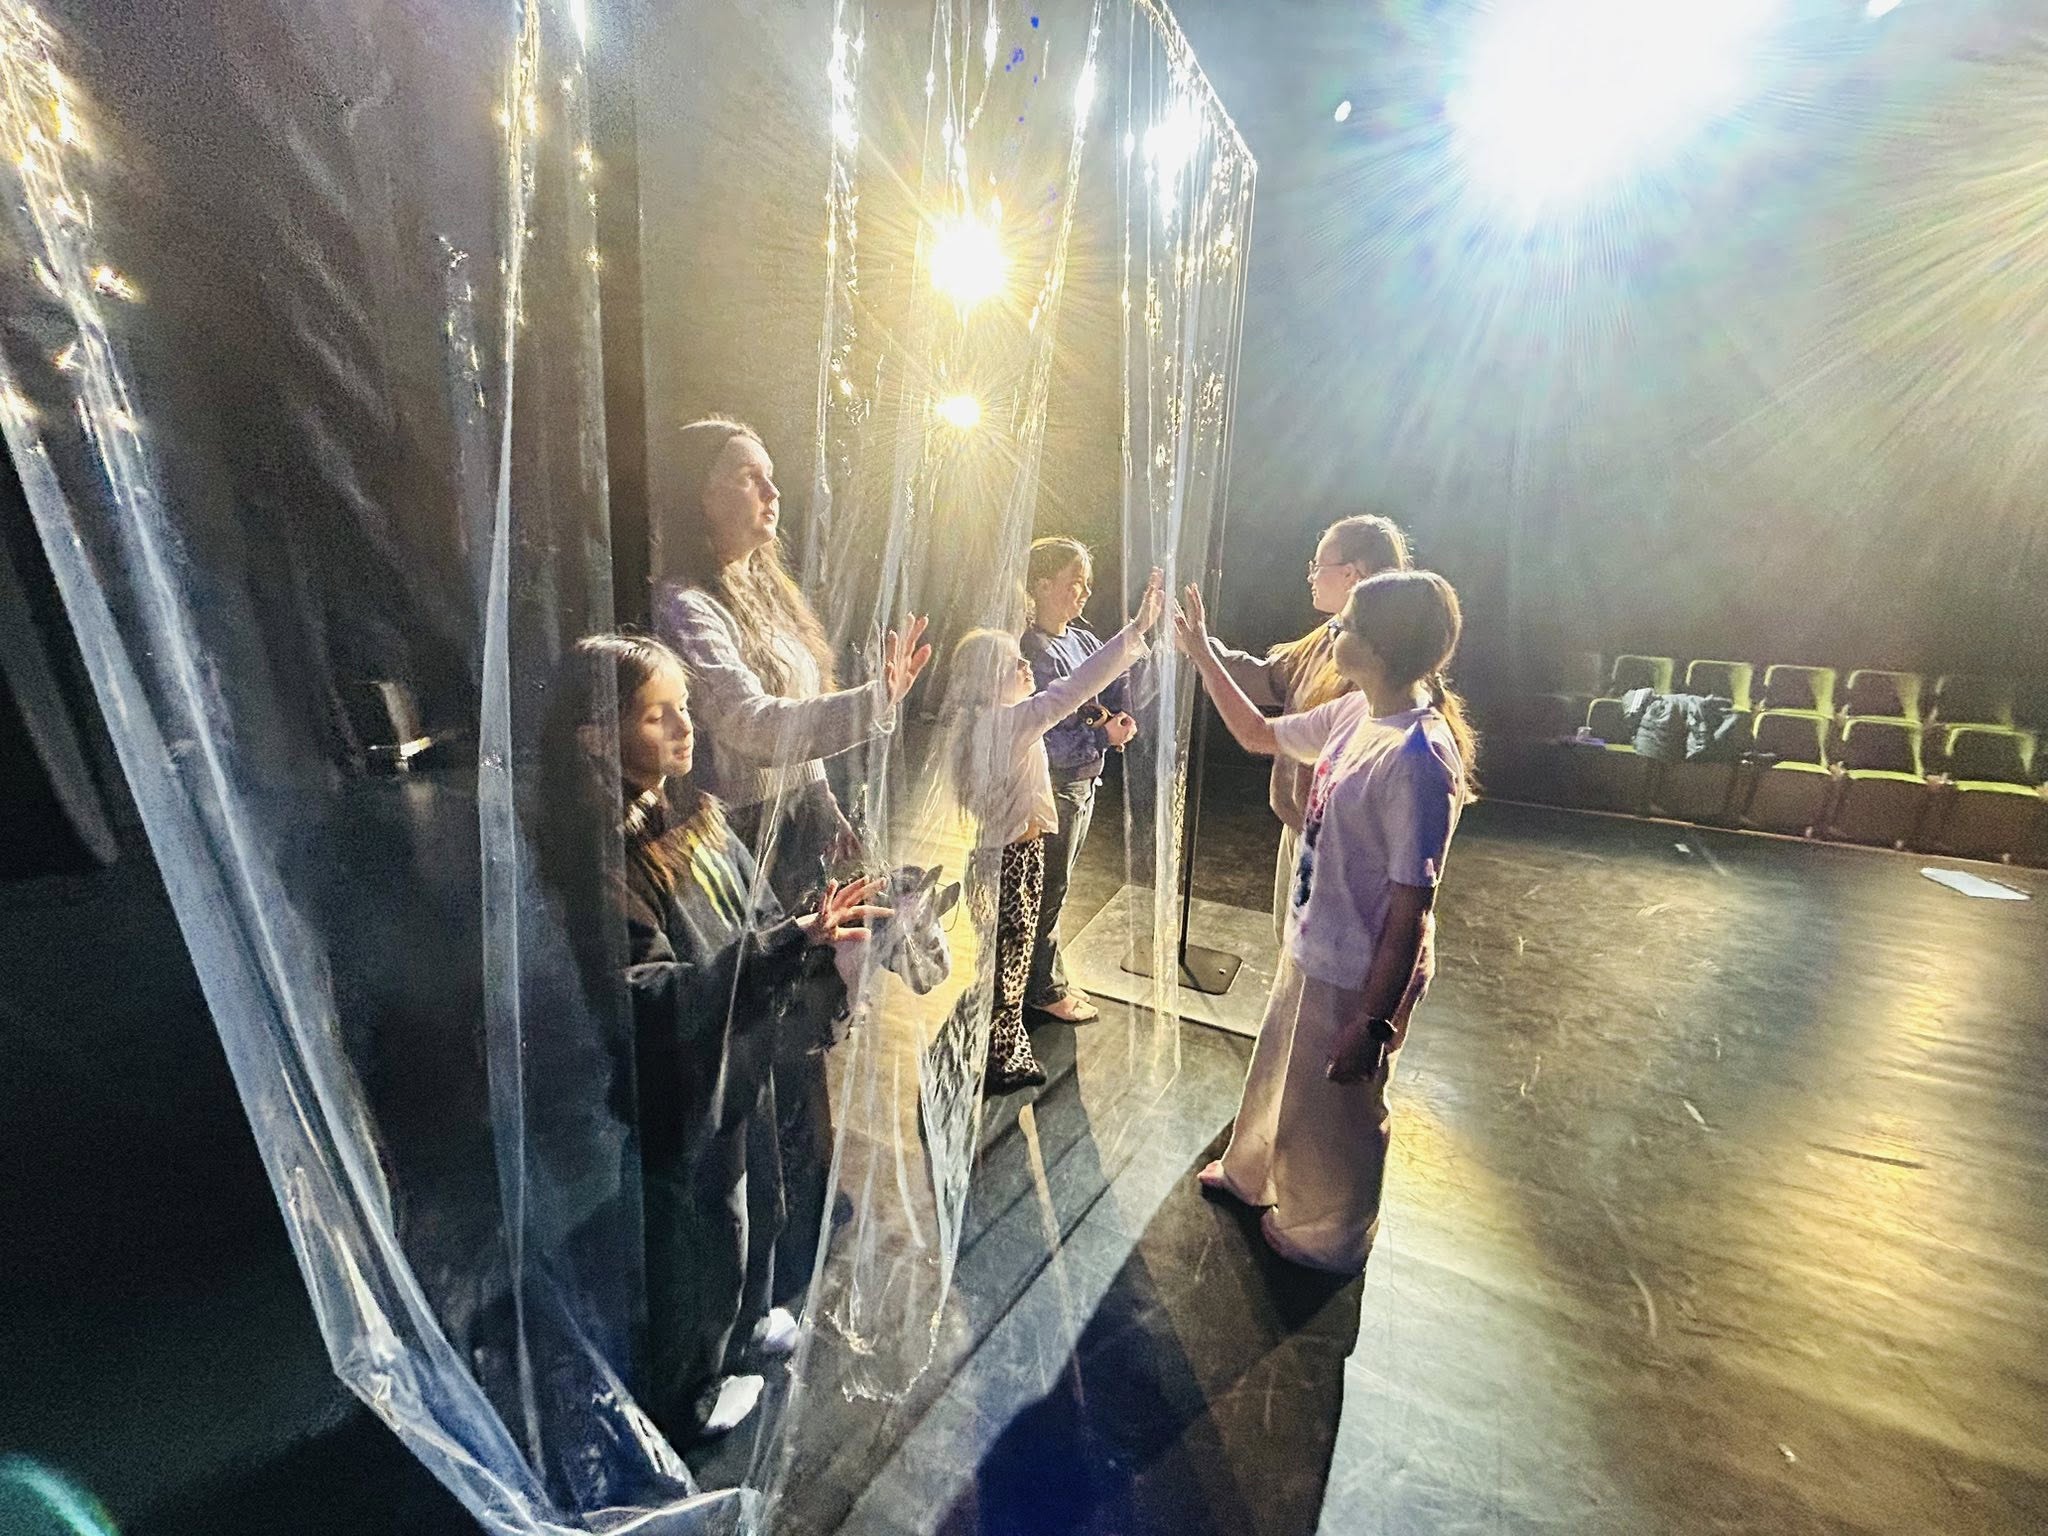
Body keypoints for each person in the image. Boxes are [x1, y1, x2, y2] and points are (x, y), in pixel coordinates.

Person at [538, 634, 888, 1442]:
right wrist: (781, 942)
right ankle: (690, 1392)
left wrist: (806, 932)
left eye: (684, 707)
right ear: (597, 738)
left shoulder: (690, 808)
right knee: (703, 1237)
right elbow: (649, 993)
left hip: (740, 1051)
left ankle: (748, 1324)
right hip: (683, 1084)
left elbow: (748, 907)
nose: (685, 727)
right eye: (657, 715)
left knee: (762, 1198)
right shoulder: (603, 860)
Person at [653, 416, 932, 1304]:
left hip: (795, 831)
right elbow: (748, 724)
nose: (772, 493)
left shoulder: (763, 590)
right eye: (749, 476)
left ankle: (804, 1195)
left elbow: (795, 733)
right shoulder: (685, 604)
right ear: (701, 493)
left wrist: (829, 809)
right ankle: (776, 1220)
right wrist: (874, 704)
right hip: (741, 842)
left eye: (771, 475)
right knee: (772, 1033)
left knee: (810, 1027)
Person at [1174, 570, 1477, 1274]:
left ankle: (1328, 1235)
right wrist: (1201, 654)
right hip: (1316, 941)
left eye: (1347, 626)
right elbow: (1257, 734)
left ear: (1380, 647)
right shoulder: (1355, 712)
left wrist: (1373, 1021)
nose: (1334, 632)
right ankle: (1252, 1173)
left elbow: (1412, 907)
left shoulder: (1418, 759)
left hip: (1360, 968)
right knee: (1282, 1070)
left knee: (1337, 1112)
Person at [943, 569, 1165, 1092]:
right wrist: (1136, 630)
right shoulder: (1009, 724)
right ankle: (1001, 1060)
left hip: (1001, 856)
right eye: (1012, 664)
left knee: (1004, 959)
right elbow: (1072, 689)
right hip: (1014, 861)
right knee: (1010, 965)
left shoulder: (988, 723)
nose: (1026, 666)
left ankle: (989, 1045)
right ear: (988, 681)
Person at [1200, 515, 1411, 940]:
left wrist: (1201, 652)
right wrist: (1201, 648)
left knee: (1313, 956)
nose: (1311, 576)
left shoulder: (1371, 665)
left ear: (1352, 574)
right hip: (1303, 827)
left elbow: (1258, 733)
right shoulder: (1328, 639)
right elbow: (1268, 679)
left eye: (1318, 565)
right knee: (1292, 949)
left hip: (1337, 845)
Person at [1018, 537, 1142, 1025]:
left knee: (1058, 884)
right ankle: (1041, 988)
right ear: (1042, 584)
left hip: (1083, 782)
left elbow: (1112, 686)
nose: (1085, 593)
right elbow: (1046, 731)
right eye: (1075, 582)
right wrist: (1101, 732)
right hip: (1053, 787)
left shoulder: (1082, 641)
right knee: (1048, 887)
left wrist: (1117, 720)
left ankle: (1045, 975)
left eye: (1087, 584)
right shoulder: (1030, 650)